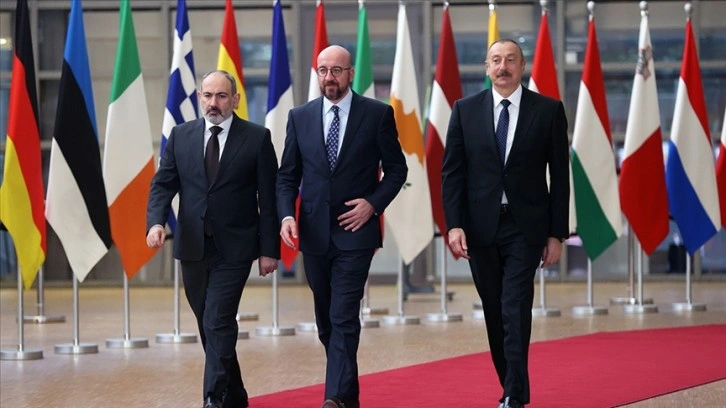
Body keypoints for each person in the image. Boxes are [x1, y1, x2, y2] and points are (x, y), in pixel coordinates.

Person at [276, 45, 407, 408]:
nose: (329, 77)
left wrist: (373, 204)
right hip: (313, 233)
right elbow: (287, 176)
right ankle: (348, 394)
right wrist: (286, 215)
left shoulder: (377, 114)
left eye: (336, 70)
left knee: (343, 315)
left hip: (356, 232)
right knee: (326, 322)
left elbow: (397, 170)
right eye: (323, 70)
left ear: (350, 74)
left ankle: (333, 397)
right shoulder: (300, 117)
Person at [441, 39, 569, 408]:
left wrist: (556, 234)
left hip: (525, 228)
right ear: (486, 68)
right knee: (495, 310)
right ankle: (511, 384)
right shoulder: (465, 110)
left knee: (515, 305)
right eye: (496, 60)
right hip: (479, 227)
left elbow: (560, 178)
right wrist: (454, 225)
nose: (503, 67)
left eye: (510, 60)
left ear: (522, 66)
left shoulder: (548, 111)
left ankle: (513, 393)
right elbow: (452, 174)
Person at [146, 70, 280, 408]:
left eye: (221, 96)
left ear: (235, 100)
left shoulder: (257, 138)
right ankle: (235, 393)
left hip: (236, 248)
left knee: (218, 318)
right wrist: (156, 222)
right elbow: (163, 184)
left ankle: (214, 397)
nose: (213, 103)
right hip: (192, 246)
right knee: (208, 322)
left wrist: (269, 250)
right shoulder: (180, 136)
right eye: (207, 95)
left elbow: (269, 199)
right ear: (199, 98)